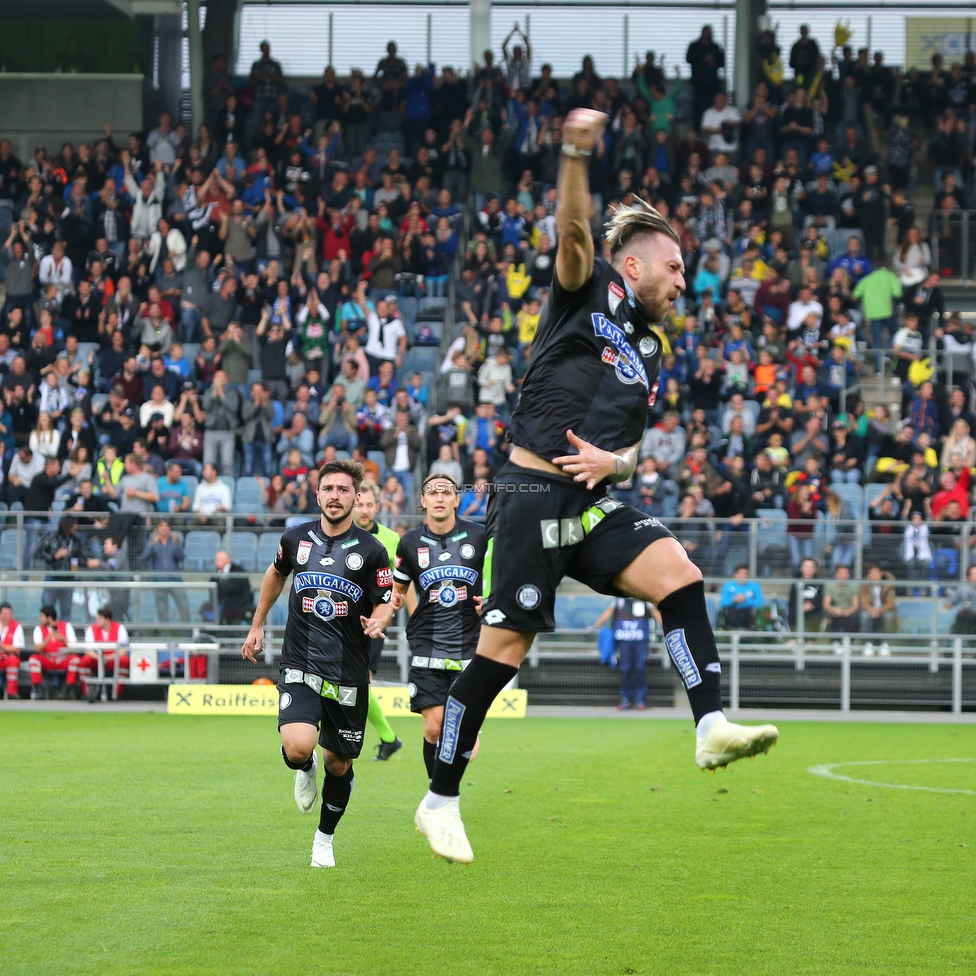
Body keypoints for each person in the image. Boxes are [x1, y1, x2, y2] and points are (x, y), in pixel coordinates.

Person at [413, 108, 777, 865]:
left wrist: (618, 466)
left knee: (680, 575)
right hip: (530, 495)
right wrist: (576, 154)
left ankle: (709, 727)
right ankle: (438, 799)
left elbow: (631, 444)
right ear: (636, 266)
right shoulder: (589, 290)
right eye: (676, 268)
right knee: (501, 654)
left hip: (591, 502)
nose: (686, 280)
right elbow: (575, 236)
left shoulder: (651, 345)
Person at [241, 459, 396, 868]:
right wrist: (257, 625)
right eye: (328, 488)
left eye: (344, 490)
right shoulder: (295, 539)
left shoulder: (372, 550)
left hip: (347, 671)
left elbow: (384, 600)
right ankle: (303, 765)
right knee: (297, 748)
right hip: (300, 663)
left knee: (339, 763)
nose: (335, 496)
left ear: (356, 497)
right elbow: (276, 574)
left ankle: (324, 839)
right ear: (317, 493)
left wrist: (378, 620)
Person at [392, 474, 488, 777]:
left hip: (471, 644)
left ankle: (468, 735)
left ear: (457, 500)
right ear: (423, 501)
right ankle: (439, 799)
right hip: (427, 642)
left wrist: (493, 599)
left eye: (446, 492)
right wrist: (382, 616)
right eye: (432, 493)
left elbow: (503, 572)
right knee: (434, 729)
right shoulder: (409, 542)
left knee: (461, 737)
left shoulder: (480, 536)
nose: (439, 497)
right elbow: (397, 592)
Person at [352, 480, 404, 760]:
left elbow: (399, 581)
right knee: (354, 683)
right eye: (360, 503)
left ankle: (387, 737)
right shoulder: (341, 535)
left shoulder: (391, 537)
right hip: (344, 619)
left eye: (369, 504)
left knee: (361, 682)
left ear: (378, 506)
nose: (364, 509)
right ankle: (388, 738)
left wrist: (393, 605)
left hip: (374, 621)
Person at [594, 597, 656, 709]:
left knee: (640, 669)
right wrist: (595, 626)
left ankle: (640, 699)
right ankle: (626, 699)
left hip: (641, 643)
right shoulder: (618, 600)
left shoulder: (644, 598)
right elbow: (608, 612)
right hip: (624, 643)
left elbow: (655, 613)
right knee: (625, 669)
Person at [141, 519, 190, 622]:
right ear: (158, 528)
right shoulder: (152, 541)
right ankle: (164, 634)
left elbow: (182, 557)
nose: (164, 528)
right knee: (162, 612)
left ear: (170, 528)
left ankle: (188, 633)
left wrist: (177, 546)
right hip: (159, 580)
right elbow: (144, 557)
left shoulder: (175, 540)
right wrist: (152, 545)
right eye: (161, 526)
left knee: (184, 608)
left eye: (166, 526)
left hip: (175, 580)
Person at [27, 604, 79, 700]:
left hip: (63, 658)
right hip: (47, 658)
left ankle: (66, 690)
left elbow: (74, 647)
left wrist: (62, 639)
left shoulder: (66, 626)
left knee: (75, 660)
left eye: (42, 616)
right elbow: (38, 648)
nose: (40, 619)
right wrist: (49, 637)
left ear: (49, 618)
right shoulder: (38, 629)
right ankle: (38, 690)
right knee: (33, 659)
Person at [84, 606, 130, 701]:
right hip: (97, 658)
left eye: (99, 618)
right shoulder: (91, 629)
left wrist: (108, 658)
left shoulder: (120, 629)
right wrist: (100, 658)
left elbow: (123, 651)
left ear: (107, 619)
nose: (97, 621)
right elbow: (88, 650)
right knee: (85, 661)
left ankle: (117, 693)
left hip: (113, 659)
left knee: (124, 661)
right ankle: (87, 692)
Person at [212, 551, 254, 624]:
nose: (216, 562)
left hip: (238, 604)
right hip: (221, 604)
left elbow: (243, 589)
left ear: (227, 560)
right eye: (216, 559)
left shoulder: (238, 570)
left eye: (219, 559)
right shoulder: (215, 575)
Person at [719, 565, 764, 630]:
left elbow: (759, 603)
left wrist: (746, 600)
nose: (743, 576)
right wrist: (734, 600)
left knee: (749, 612)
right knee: (730, 611)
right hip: (732, 611)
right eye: (741, 573)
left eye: (745, 574)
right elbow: (723, 602)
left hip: (748, 612)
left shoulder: (754, 586)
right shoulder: (728, 585)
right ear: (735, 575)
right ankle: (733, 630)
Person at [0, 602, 26, 699]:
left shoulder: (16, 627)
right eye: (5, 614)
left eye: (9, 614)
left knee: (13, 660)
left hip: (8, 657)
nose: (7, 616)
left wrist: (2, 646)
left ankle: (12, 692)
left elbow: (16, 648)